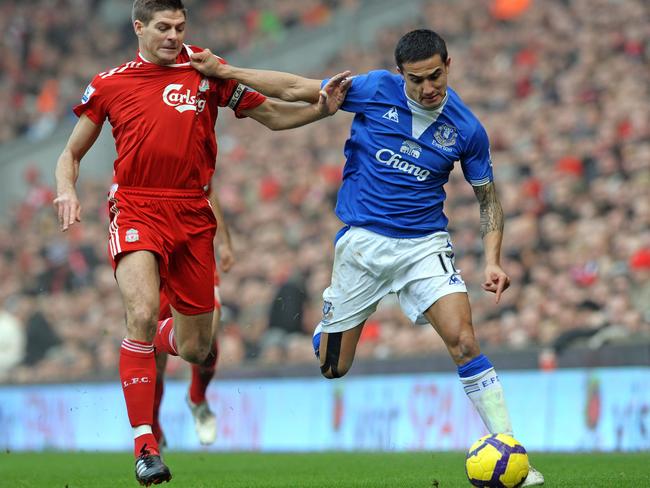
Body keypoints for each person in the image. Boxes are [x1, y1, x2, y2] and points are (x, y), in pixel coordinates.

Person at [188, 29, 544, 486]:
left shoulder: (468, 129)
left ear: (448, 65)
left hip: (424, 246)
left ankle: (510, 451)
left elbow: (488, 200)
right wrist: (226, 70)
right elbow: (297, 88)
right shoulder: (375, 89)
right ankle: (329, 327)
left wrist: (492, 260)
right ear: (401, 75)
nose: (428, 88)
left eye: (435, 76)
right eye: (417, 80)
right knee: (333, 367)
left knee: (465, 342)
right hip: (362, 245)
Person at [53, 0, 350, 485]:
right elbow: (70, 153)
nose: (173, 35)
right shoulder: (111, 83)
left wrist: (321, 111)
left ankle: (153, 347)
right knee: (143, 313)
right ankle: (145, 446)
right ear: (139, 28)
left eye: (180, 27)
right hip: (136, 206)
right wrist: (66, 188)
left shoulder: (205, 70)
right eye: (164, 27)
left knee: (195, 347)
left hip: (193, 213)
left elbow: (273, 115)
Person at [153, 188, 234, 448]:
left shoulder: (193, 149)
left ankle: (197, 397)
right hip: (155, 254)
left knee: (207, 333)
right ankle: (152, 426)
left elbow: (209, 189)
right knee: (155, 356)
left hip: (194, 250)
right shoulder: (137, 156)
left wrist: (225, 242)